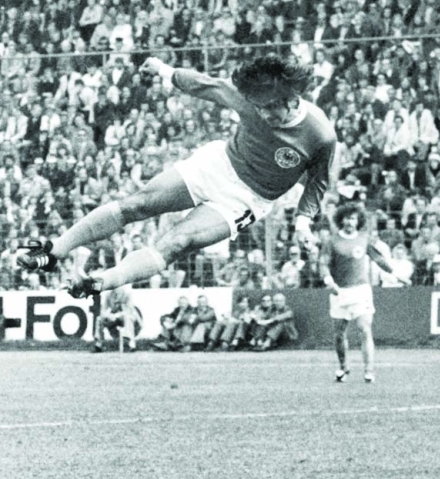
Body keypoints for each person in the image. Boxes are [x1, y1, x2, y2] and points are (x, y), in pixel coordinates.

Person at [18, 54, 337, 298]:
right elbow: (204, 84)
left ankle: (101, 281)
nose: (264, 114)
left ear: (292, 99)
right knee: (137, 205)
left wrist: (304, 221)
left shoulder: (320, 134)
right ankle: (53, 251)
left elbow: (318, 180)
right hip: (218, 164)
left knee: (178, 242)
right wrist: (162, 69)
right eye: (259, 107)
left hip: (246, 200)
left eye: (270, 108)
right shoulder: (248, 98)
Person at [326, 203, 409, 383]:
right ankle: (343, 366)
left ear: (358, 221)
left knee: (365, 328)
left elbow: (378, 258)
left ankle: (369, 370)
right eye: (347, 218)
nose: (350, 222)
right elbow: (323, 263)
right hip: (339, 291)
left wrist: (396, 274)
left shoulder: (364, 239)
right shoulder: (332, 241)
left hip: (361, 290)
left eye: (353, 218)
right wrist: (328, 280)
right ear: (341, 220)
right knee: (339, 333)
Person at [92, 285, 141, 352]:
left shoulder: (127, 295)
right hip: (113, 317)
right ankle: (98, 344)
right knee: (99, 319)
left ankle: (131, 344)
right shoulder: (108, 295)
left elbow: (129, 310)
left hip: (125, 317)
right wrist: (109, 315)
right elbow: (103, 310)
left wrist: (117, 315)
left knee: (128, 318)